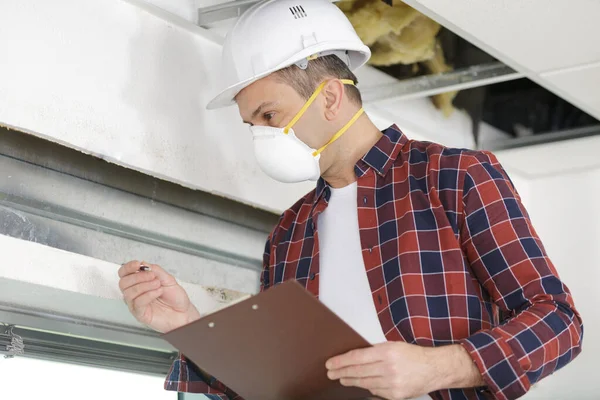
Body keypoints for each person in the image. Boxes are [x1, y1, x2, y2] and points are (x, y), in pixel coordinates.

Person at [118, 0, 583, 399]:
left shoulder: (454, 177)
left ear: (330, 97)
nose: (261, 135)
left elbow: (559, 323)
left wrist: (439, 366)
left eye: (269, 114)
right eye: (252, 124)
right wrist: (191, 327)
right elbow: (276, 387)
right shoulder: (289, 233)